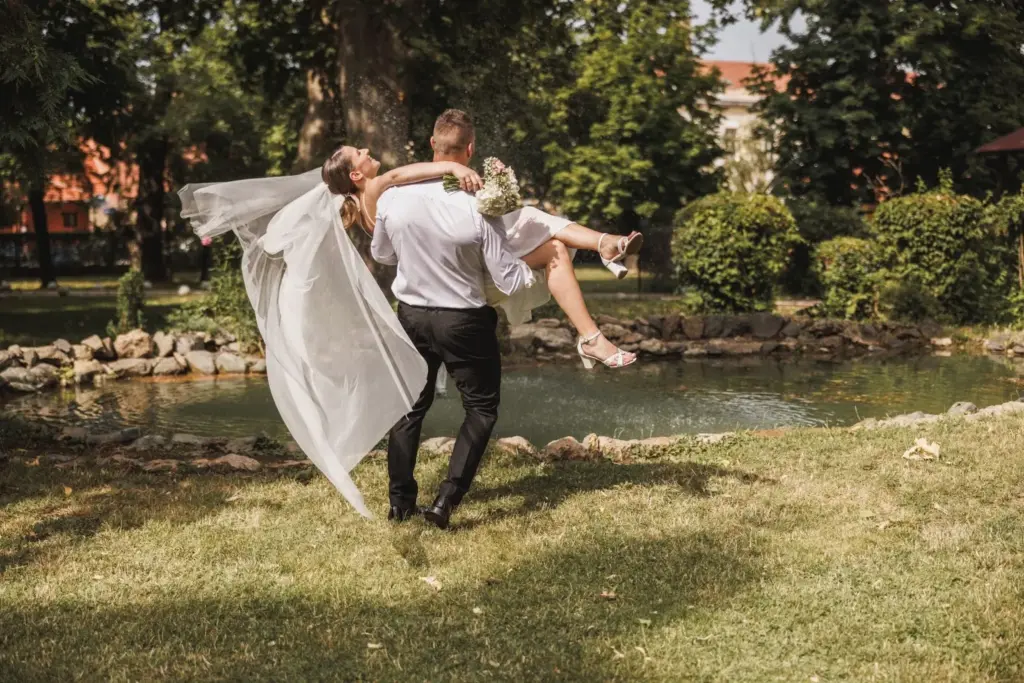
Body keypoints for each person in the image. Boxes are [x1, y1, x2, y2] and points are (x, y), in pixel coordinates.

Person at [320, 109, 640, 369]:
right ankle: (603, 252)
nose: (365, 149)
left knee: (551, 243)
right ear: (355, 175)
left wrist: (460, 185)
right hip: (466, 274)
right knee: (532, 222)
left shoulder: (384, 201)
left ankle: (594, 314)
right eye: (358, 152)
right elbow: (397, 176)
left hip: (456, 269)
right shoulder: (378, 191)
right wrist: (454, 169)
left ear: (432, 141)